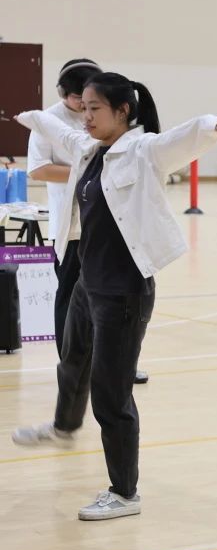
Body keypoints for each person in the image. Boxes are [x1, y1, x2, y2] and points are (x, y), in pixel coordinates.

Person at [10, 73, 217, 519]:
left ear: (123, 112)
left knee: (111, 394)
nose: (86, 116)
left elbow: (179, 140)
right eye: (84, 108)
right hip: (88, 283)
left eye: (95, 108)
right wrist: (36, 117)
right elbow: (61, 132)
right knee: (73, 358)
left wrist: (211, 126)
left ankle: (124, 492)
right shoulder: (89, 150)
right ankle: (64, 426)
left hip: (123, 293)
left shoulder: (142, 151)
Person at [28, 59, 152, 384]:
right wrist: (91, 169)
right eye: (79, 102)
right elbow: (38, 169)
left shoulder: (112, 120)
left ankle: (116, 365)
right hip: (71, 228)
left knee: (111, 303)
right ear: (63, 94)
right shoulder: (52, 120)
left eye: (91, 104)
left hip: (110, 228)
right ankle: (71, 367)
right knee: (70, 299)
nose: (85, 110)